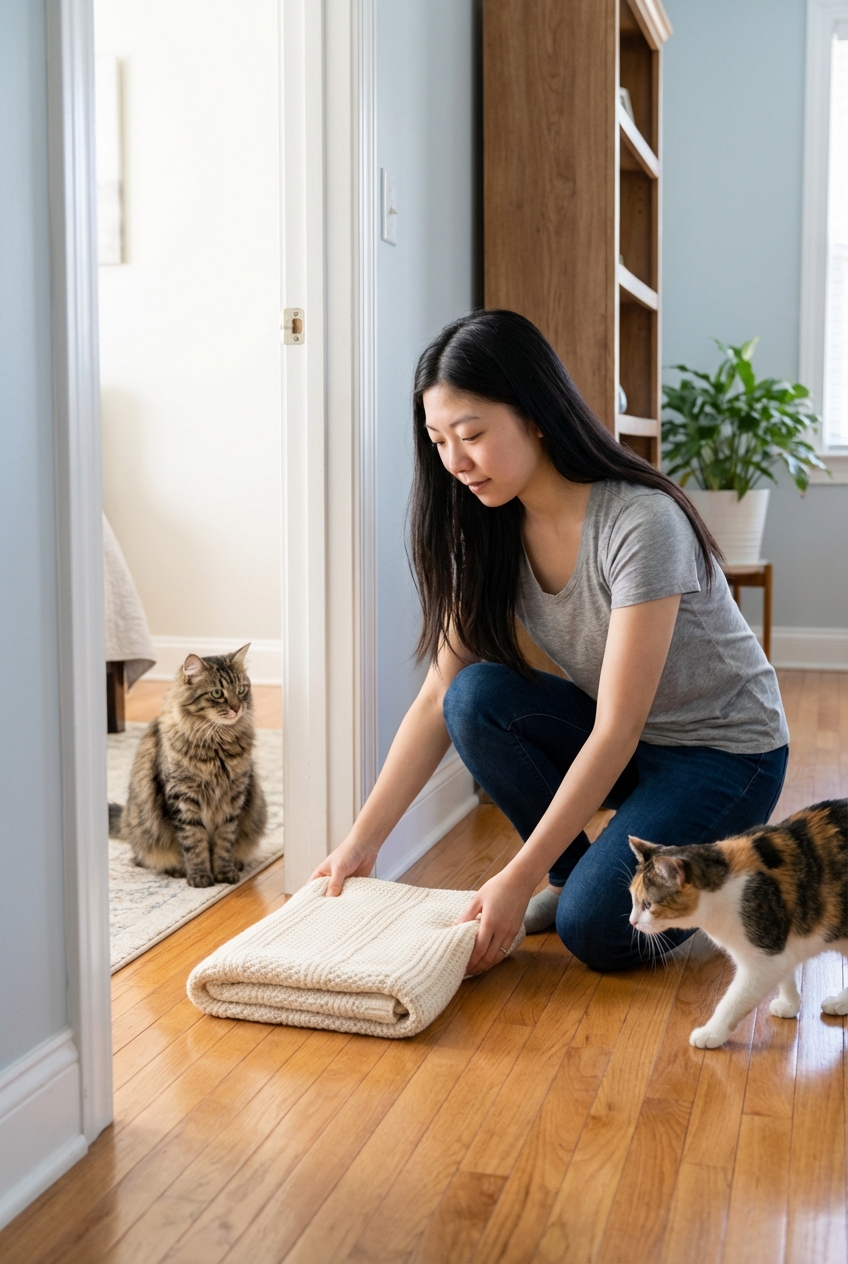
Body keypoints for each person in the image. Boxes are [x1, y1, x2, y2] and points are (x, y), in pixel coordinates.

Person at [311, 310, 789, 976]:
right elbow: (438, 698)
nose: (455, 462)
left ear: (534, 414)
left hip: (724, 754)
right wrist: (361, 844)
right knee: (476, 695)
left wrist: (514, 874)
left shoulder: (640, 523)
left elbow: (617, 728)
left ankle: (719, 894)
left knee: (596, 933)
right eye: (438, 440)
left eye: (472, 435)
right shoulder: (487, 526)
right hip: (634, 741)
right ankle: (573, 874)